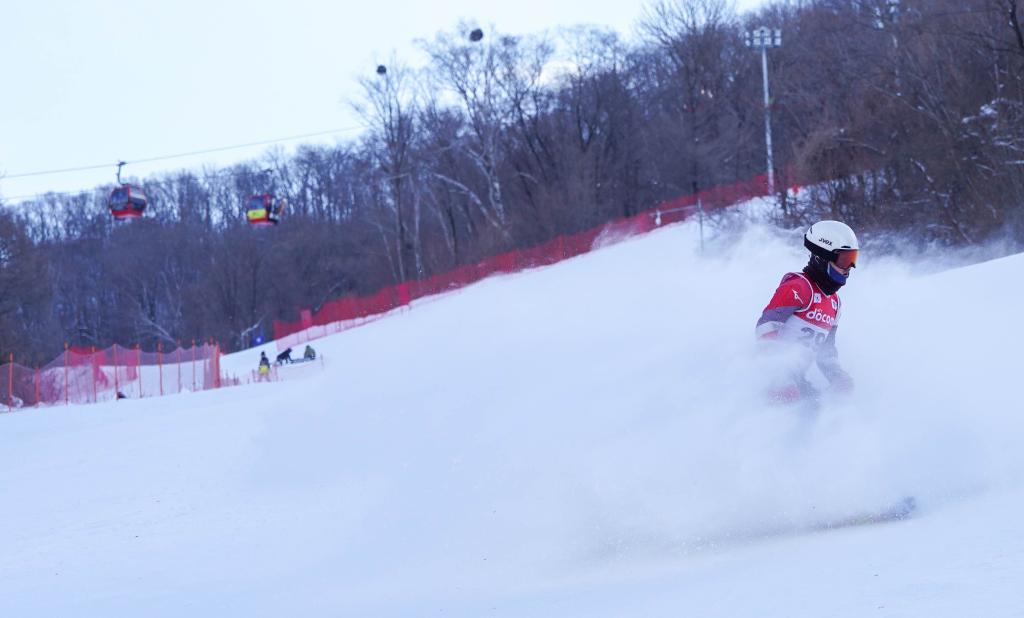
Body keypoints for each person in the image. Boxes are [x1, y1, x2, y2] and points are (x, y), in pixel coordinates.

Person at [755, 220, 858, 404]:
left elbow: (826, 352)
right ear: (822, 257)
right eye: (844, 260)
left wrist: (837, 376)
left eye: (853, 259)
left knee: (821, 411)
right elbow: (765, 329)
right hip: (770, 380)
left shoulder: (834, 304)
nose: (849, 268)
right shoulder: (799, 287)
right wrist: (779, 379)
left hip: (797, 382)